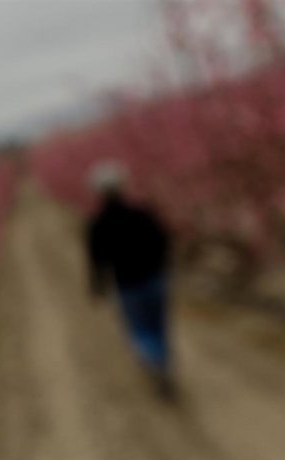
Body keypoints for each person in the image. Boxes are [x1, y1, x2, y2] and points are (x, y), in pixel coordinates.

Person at [86, 162, 174, 397]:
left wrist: (96, 287)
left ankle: (152, 360)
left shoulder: (97, 225)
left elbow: (96, 260)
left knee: (140, 330)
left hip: (127, 286)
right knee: (158, 327)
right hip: (153, 280)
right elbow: (162, 240)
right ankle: (162, 363)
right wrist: (163, 266)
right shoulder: (142, 213)